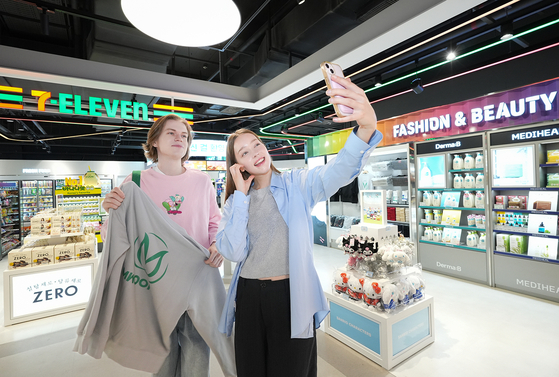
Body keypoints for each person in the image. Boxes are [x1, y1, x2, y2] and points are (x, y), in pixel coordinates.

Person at [216, 74, 383, 377]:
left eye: (256, 144)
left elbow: (339, 171)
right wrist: (240, 198)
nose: (256, 152)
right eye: (245, 152)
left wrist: (366, 128)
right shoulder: (234, 204)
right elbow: (233, 251)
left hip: (291, 295)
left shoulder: (298, 184)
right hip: (250, 296)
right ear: (237, 165)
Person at [101, 114, 234, 377]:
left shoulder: (201, 181)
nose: (179, 138)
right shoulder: (136, 181)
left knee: (198, 346)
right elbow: (114, 235)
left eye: (184, 135)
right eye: (171, 133)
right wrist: (110, 212)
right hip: (154, 281)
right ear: (155, 141)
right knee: (161, 349)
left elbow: (214, 223)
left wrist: (217, 244)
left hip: (197, 276)